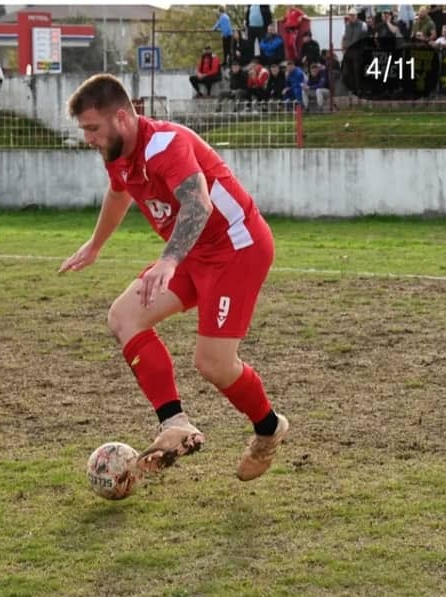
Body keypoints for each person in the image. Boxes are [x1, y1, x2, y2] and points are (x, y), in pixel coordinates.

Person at [61, 74, 289, 481]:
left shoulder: (166, 145)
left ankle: (269, 429)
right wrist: (95, 245)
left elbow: (197, 202)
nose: (89, 138)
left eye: (93, 128)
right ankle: (175, 424)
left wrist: (168, 260)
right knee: (124, 316)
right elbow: (118, 194)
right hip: (193, 252)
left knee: (213, 364)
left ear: (122, 117)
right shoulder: (117, 153)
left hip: (236, 248)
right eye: (84, 131)